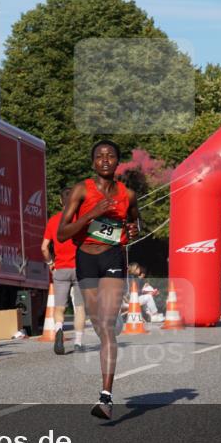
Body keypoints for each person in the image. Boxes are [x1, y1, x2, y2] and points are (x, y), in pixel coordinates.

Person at [57, 140, 139, 420]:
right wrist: (92, 214)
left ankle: (106, 396)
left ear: (118, 162)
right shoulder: (81, 190)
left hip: (113, 257)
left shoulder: (128, 194)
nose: (105, 160)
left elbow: (136, 224)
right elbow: (62, 233)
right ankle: (110, 326)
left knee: (106, 326)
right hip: (86, 260)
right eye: (100, 156)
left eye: (111, 156)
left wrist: (132, 228)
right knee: (99, 325)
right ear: (93, 162)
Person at [42, 187, 87, 354]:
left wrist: (50, 263)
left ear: (61, 201)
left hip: (60, 269)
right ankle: (78, 343)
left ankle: (59, 331)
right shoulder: (82, 220)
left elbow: (44, 248)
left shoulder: (53, 221)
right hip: (80, 269)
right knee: (80, 307)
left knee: (59, 307)